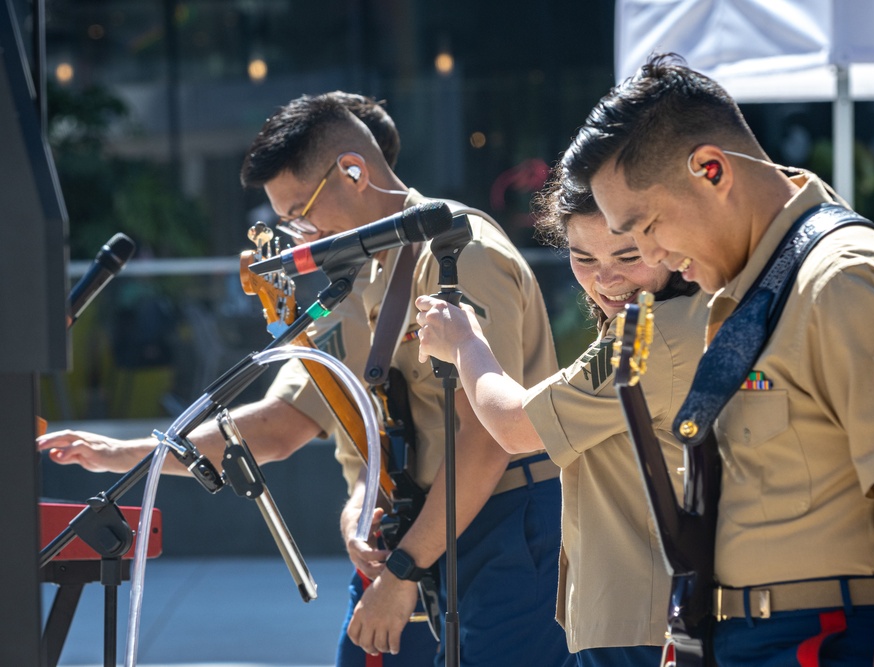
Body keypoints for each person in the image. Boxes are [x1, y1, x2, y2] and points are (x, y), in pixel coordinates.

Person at [41, 92, 571, 667]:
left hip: (503, 522)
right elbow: (280, 425)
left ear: (354, 171)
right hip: (412, 531)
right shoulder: (348, 280)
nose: (299, 231)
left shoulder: (455, 249)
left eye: (299, 210)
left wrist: (402, 572)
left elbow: (486, 435)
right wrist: (131, 454)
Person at [559, 52, 874, 667]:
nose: (653, 256)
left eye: (645, 226)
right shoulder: (751, 291)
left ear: (710, 169)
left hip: (830, 639)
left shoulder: (844, 280)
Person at [414, 171, 710, 667]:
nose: (605, 279)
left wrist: (466, 343)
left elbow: (514, 428)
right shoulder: (692, 315)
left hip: (640, 620)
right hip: (653, 612)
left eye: (628, 256)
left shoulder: (648, 336)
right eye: (583, 257)